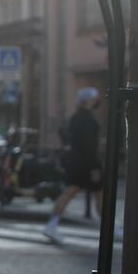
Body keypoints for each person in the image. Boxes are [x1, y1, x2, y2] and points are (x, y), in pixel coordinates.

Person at [43, 86, 104, 244]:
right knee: (97, 193)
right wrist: (94, 166)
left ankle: (52, 224)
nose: (98, 101)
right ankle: (108, 227)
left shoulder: (75, 118)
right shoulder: (88, 120)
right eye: (95, 98)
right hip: (86, 163)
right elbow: (89, 146)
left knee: (73, 191)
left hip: (74, 161)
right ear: (88, 100)